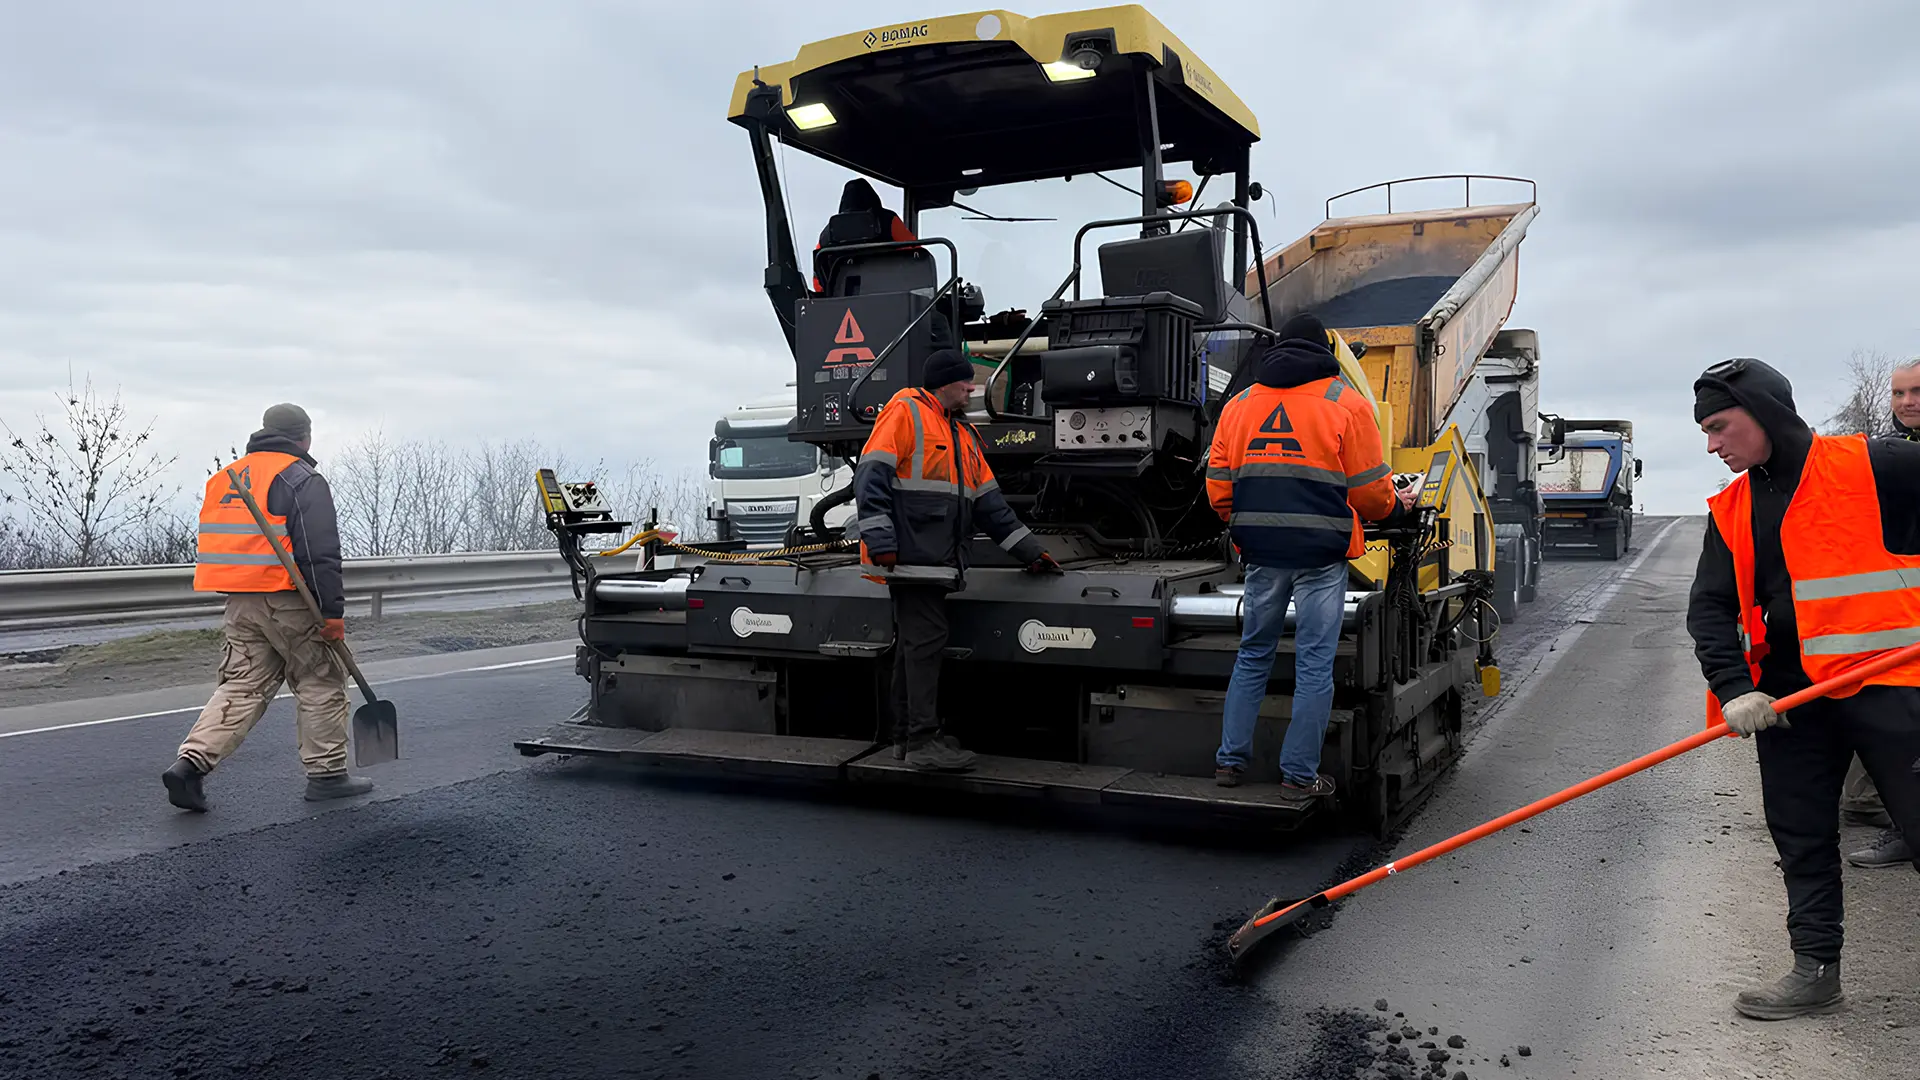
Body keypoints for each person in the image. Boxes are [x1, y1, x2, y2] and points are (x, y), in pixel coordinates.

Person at [1686, 358, 1920, 1020]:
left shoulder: (1878, 466)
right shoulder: (1732, 509)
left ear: (1764, 411)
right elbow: (1708, 608)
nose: (1712, 445)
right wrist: (1734, 689)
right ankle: (1815, 971)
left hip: (1891, 684)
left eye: (1720, 426)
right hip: (1790, 704)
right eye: (1705, 432)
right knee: (1803, 840)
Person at [1207, 313, 1410, 802]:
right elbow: (1370, 495)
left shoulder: (1239, 405)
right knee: (1314, 665)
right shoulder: (1347, 403)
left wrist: (1247, 523)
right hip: (1321, 556)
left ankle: (1230, 763)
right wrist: (1395, 505)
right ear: (1327, 354)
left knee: (1253, 654)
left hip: (1263, 552)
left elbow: (1218, 487)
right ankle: (1298, 776)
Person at [854, 350, 1058, 772]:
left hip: (932, 559)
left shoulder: (962, 435)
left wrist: (1031, 552)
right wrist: (879, 537)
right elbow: (870, 477)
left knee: (916, 649)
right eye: (965, 383)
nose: (971, 389)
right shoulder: (906, 412)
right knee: (923, 646)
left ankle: (909, 738)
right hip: (912, 558)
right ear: (945, 383)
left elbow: (991, 506)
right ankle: (921, 741)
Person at [162, 403, 373, 811]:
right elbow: (319, 552)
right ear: (304, 437)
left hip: (240, 604)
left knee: (241, 686)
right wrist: (332, 613)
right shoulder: (300, 478)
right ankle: (327, 775)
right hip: (291, 600)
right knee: (320, 680)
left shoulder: (225, 478)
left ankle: (189, 765)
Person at [1844, 355, 1920, 867]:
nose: (1907, 402)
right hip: (1899, 613)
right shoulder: (1891, 451)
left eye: (1916, 392)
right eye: (1899, 394)